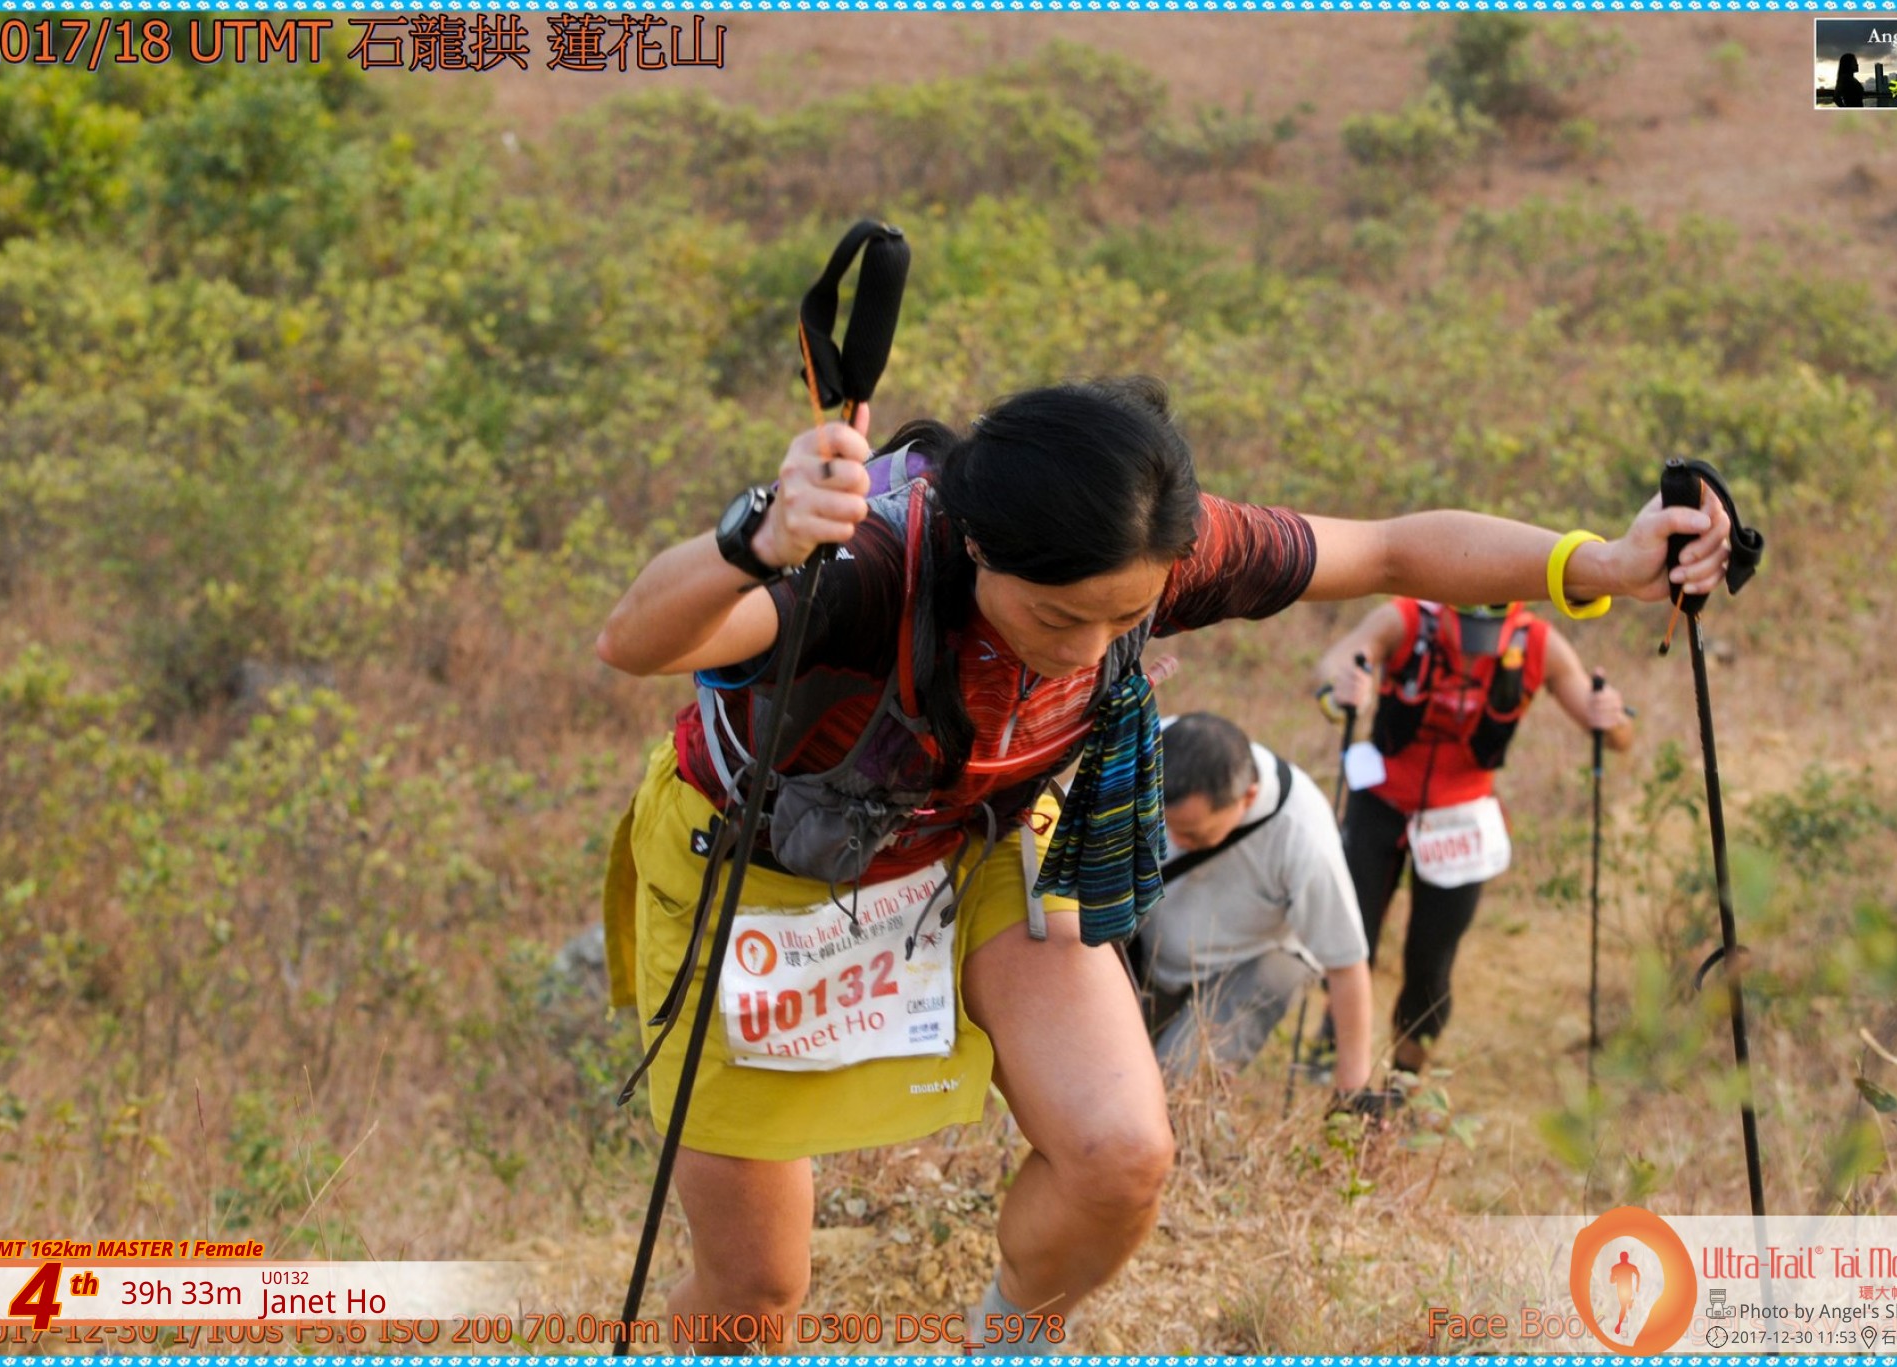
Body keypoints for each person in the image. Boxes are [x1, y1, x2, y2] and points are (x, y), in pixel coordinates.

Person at [594, 376, 1729, 1352]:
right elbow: (638, 640)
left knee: (1119, 1158)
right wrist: (754, 541)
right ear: (980, 547)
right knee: (757, 1290)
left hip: (972, 847)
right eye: (1056, 618)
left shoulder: (1161, 548)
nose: (1088, 649)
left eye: (1124, 617)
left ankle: (1004, 1346)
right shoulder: (864, 572)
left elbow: (1388, 548)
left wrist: (1602, 561)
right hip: (760, 876)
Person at [1314, 600, 1634, 1075]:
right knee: (1351, 938)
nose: (1471, 653)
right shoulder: (1405, 619)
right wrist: (1342, 685)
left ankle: (1404, 1080)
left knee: (1431, 964)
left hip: (1461, 819)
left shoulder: (1538, 645)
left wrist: (1612, 716)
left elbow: (1617, 737)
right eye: (1462, 632)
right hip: (1380, 803)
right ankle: (1334, 1050)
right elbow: (1335, 662)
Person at [1133, 712, 1375, 1098]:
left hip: (1249, 965)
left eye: (1191, 833)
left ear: (1246, 798)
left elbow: (1346, 964)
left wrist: (1353, 1091)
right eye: (1165, 824)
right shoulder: (1135, 754)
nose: (1173, 842)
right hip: (1146, 947)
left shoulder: (1303, 837)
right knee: (1110, 1079)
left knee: (1169, 1089)